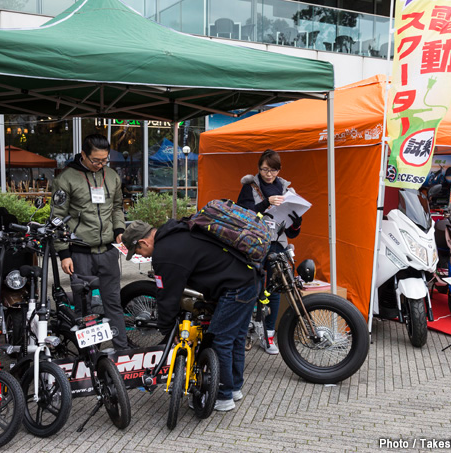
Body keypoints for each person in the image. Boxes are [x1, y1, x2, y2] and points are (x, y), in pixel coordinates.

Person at [122, 219, 261, 411]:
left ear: (143, 242)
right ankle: (234, 387)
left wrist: (169, 327)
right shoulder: (176, 230)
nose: (140, 256)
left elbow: (167, 296)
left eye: (137, 251)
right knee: (235, 337)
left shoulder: (164, 254)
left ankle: (222, 397)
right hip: (249, 278)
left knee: (219, 340)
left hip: (235, 288)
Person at [50, 134, 128, 351]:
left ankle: (122, 351)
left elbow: (117, 207)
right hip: (79, 253)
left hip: (109, 251)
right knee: (84, 309)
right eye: (96, 160)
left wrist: (120, 229)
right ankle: (89, 356)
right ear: (83, 155)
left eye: (104, 160)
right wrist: (64, 253)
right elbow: (57, 219)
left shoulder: (111, 176)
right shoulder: (65, 179)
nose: (100, 165)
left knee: (113, 303)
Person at [236, 149, 302, 354]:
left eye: (273, 170)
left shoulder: (285, 189)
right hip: (255, 243)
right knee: (251, 287)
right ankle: (245, 332)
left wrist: (297, 221)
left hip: (278, 244)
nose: (269, 174)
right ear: (258, 168)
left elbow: (292, 231)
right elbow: (241, 215)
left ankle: (268, 336)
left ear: (279, 170)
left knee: (274, 289)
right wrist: (266, 203)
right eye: (265, 169)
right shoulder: (249, 187)